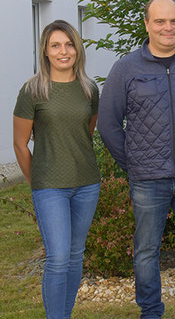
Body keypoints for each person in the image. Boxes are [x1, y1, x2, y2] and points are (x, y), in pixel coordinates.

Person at [97, 0, 175, 319]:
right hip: (147, 181)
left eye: (174, 21)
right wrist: (134, 163)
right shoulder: (125, 68)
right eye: (160, 21)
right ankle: (150, 313)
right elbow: (108, 124)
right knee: (146, 252)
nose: (168, 28)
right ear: (148, 25)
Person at [12, 19, 101, 319]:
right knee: (59, 257)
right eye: (55, 45)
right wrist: (35, 180)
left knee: (75, 257)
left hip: (87, 183)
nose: (64, 51)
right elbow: (20, 144)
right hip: (49, 186)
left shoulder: (89, 90)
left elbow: (85, 133)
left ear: (77, 48)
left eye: (69, 44)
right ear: (45, 52)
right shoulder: (33, 91)